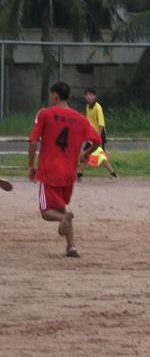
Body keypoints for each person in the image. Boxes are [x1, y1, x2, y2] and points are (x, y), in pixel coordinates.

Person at [28, 81, 102, 258]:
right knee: (61, 207)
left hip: (49, 171)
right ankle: (71, 247)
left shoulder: (45, 114)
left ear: (55, 95)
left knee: (47, 212)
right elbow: (97, 141)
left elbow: (33, 141)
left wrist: (31, 165)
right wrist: (85, 153)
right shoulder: (80, 119)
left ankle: (64, 219)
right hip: (69, 173)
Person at [77, 88, 117, 181]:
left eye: (91, 95)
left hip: (99, 135)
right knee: (95, 155)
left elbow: (101, 124)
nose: (89, 97)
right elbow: (89, 122)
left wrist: (97, 138)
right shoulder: (88, 106)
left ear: (95, 96)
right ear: (85, 96)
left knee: (91, 154)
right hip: (92, 135)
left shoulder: (98, 107)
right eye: (87, 95)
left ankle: (79, 174)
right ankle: (113, 173)